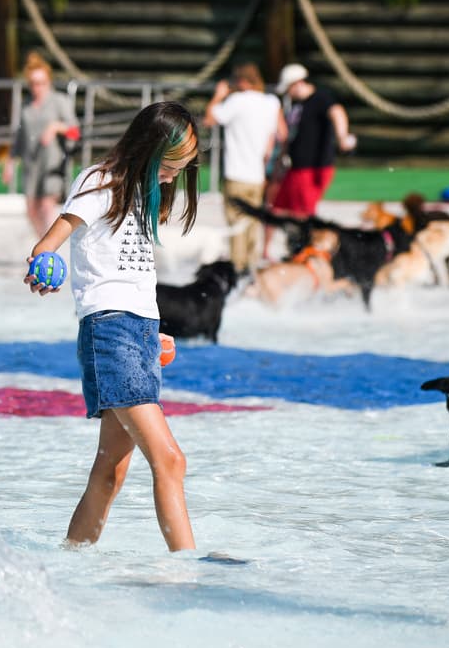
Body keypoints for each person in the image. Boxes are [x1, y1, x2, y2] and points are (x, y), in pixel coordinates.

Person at [26, 101, 201, 552]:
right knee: (170, 460)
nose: (174, 176)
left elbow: (132, 276)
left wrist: (153, 331)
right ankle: (186, 569)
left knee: (111, 470)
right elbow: (49, 243)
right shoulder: (101, 181)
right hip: (110, 331)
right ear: (149, 147)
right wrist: (42, 264)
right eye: (171, 165)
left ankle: (71, 557)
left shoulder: (143, 195)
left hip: (136, 333)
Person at [203, 62, 287, 273]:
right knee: (253, 224)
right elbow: (281, 133)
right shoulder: (271, 102)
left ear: (241, 80)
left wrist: (219, 95)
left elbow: (209, 119)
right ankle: (251, 268)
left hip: (236, 173)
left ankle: (237, 271)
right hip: (257, 175)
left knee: (236, 226)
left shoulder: (236, 101)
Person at [3, 52, 79, 237]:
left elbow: (75, 132)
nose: (38, 88)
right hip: (31, 166)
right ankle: (43, 244)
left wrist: (56, 127)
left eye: (42, 83)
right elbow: (19, 138)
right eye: (34, 84)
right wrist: (10, 163)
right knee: (31, 211)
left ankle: (48, 251)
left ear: (49, 82)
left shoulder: (60, 101)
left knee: (46, 207)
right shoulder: (26, 106)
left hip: (52, 166)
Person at [271, 63, 356, 218]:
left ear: (297, 83)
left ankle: (305, 242)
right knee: (278, 208)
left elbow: (337, 112)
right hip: (297, 167)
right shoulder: (299, 105)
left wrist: (342, 136)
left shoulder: (321, 98)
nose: (288, 94)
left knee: (303, 213)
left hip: (312, 167)